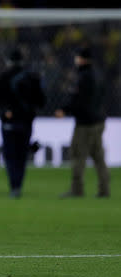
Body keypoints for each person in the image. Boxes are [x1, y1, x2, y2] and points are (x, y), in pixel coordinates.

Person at [55, 47, 110, 198]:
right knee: (99, 157)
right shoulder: (99, 75)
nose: (76, 60)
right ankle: (104, 189)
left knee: (78, 155)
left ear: (82, 59)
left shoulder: (84, 76)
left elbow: (79, 100)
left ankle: (77, 189)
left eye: (77, 57)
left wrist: (65, 110)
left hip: (86, 123)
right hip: (99, 121)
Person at [0, 48, 45, 198]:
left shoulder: (3, 77)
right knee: (22, 154)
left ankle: (14, 185)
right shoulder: (32, 77)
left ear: (9, 61)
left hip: (8, 121)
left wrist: (5, 110)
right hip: (26, 121)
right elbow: (41, 100)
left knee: (10, 154)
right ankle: (18, 185)